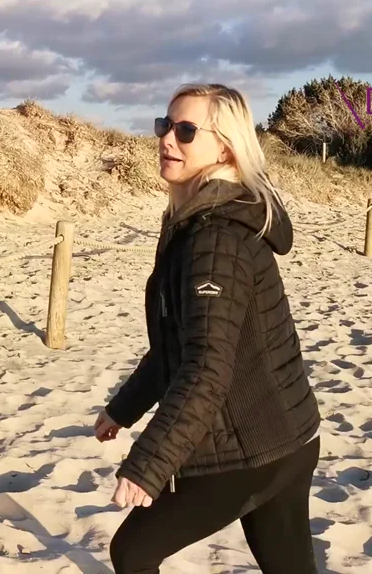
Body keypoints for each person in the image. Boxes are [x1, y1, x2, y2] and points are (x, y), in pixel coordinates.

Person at [93, 83, 322, 573]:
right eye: (165, 125)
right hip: (291, 433)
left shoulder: (215, 237)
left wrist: (149, 465)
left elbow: (205, 368)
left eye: (186, 130)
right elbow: (176, 344)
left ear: (225, 147)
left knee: (133, 552)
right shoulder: (197, 220)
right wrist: (124, 407)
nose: (166, 139)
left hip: (254, 448)